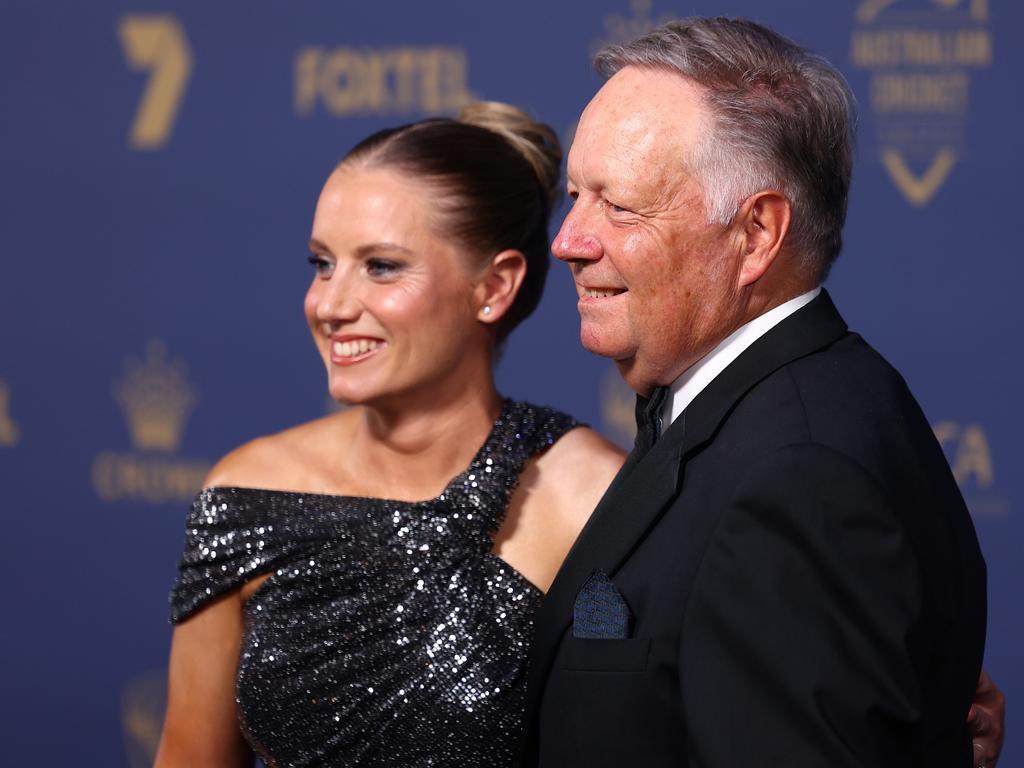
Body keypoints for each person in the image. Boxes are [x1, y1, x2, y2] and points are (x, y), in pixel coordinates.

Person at [522, 17, 991, 767]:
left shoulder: (801, 478)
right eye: (575, 196)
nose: (570, 240)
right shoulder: (746, 412)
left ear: (756, 233)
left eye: (618, 206)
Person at [153, 102, 625, 767]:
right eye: (322, 264)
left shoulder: (592, 499)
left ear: (493, 287)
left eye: (380, 266)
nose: (331, 305)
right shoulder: (245, 491)